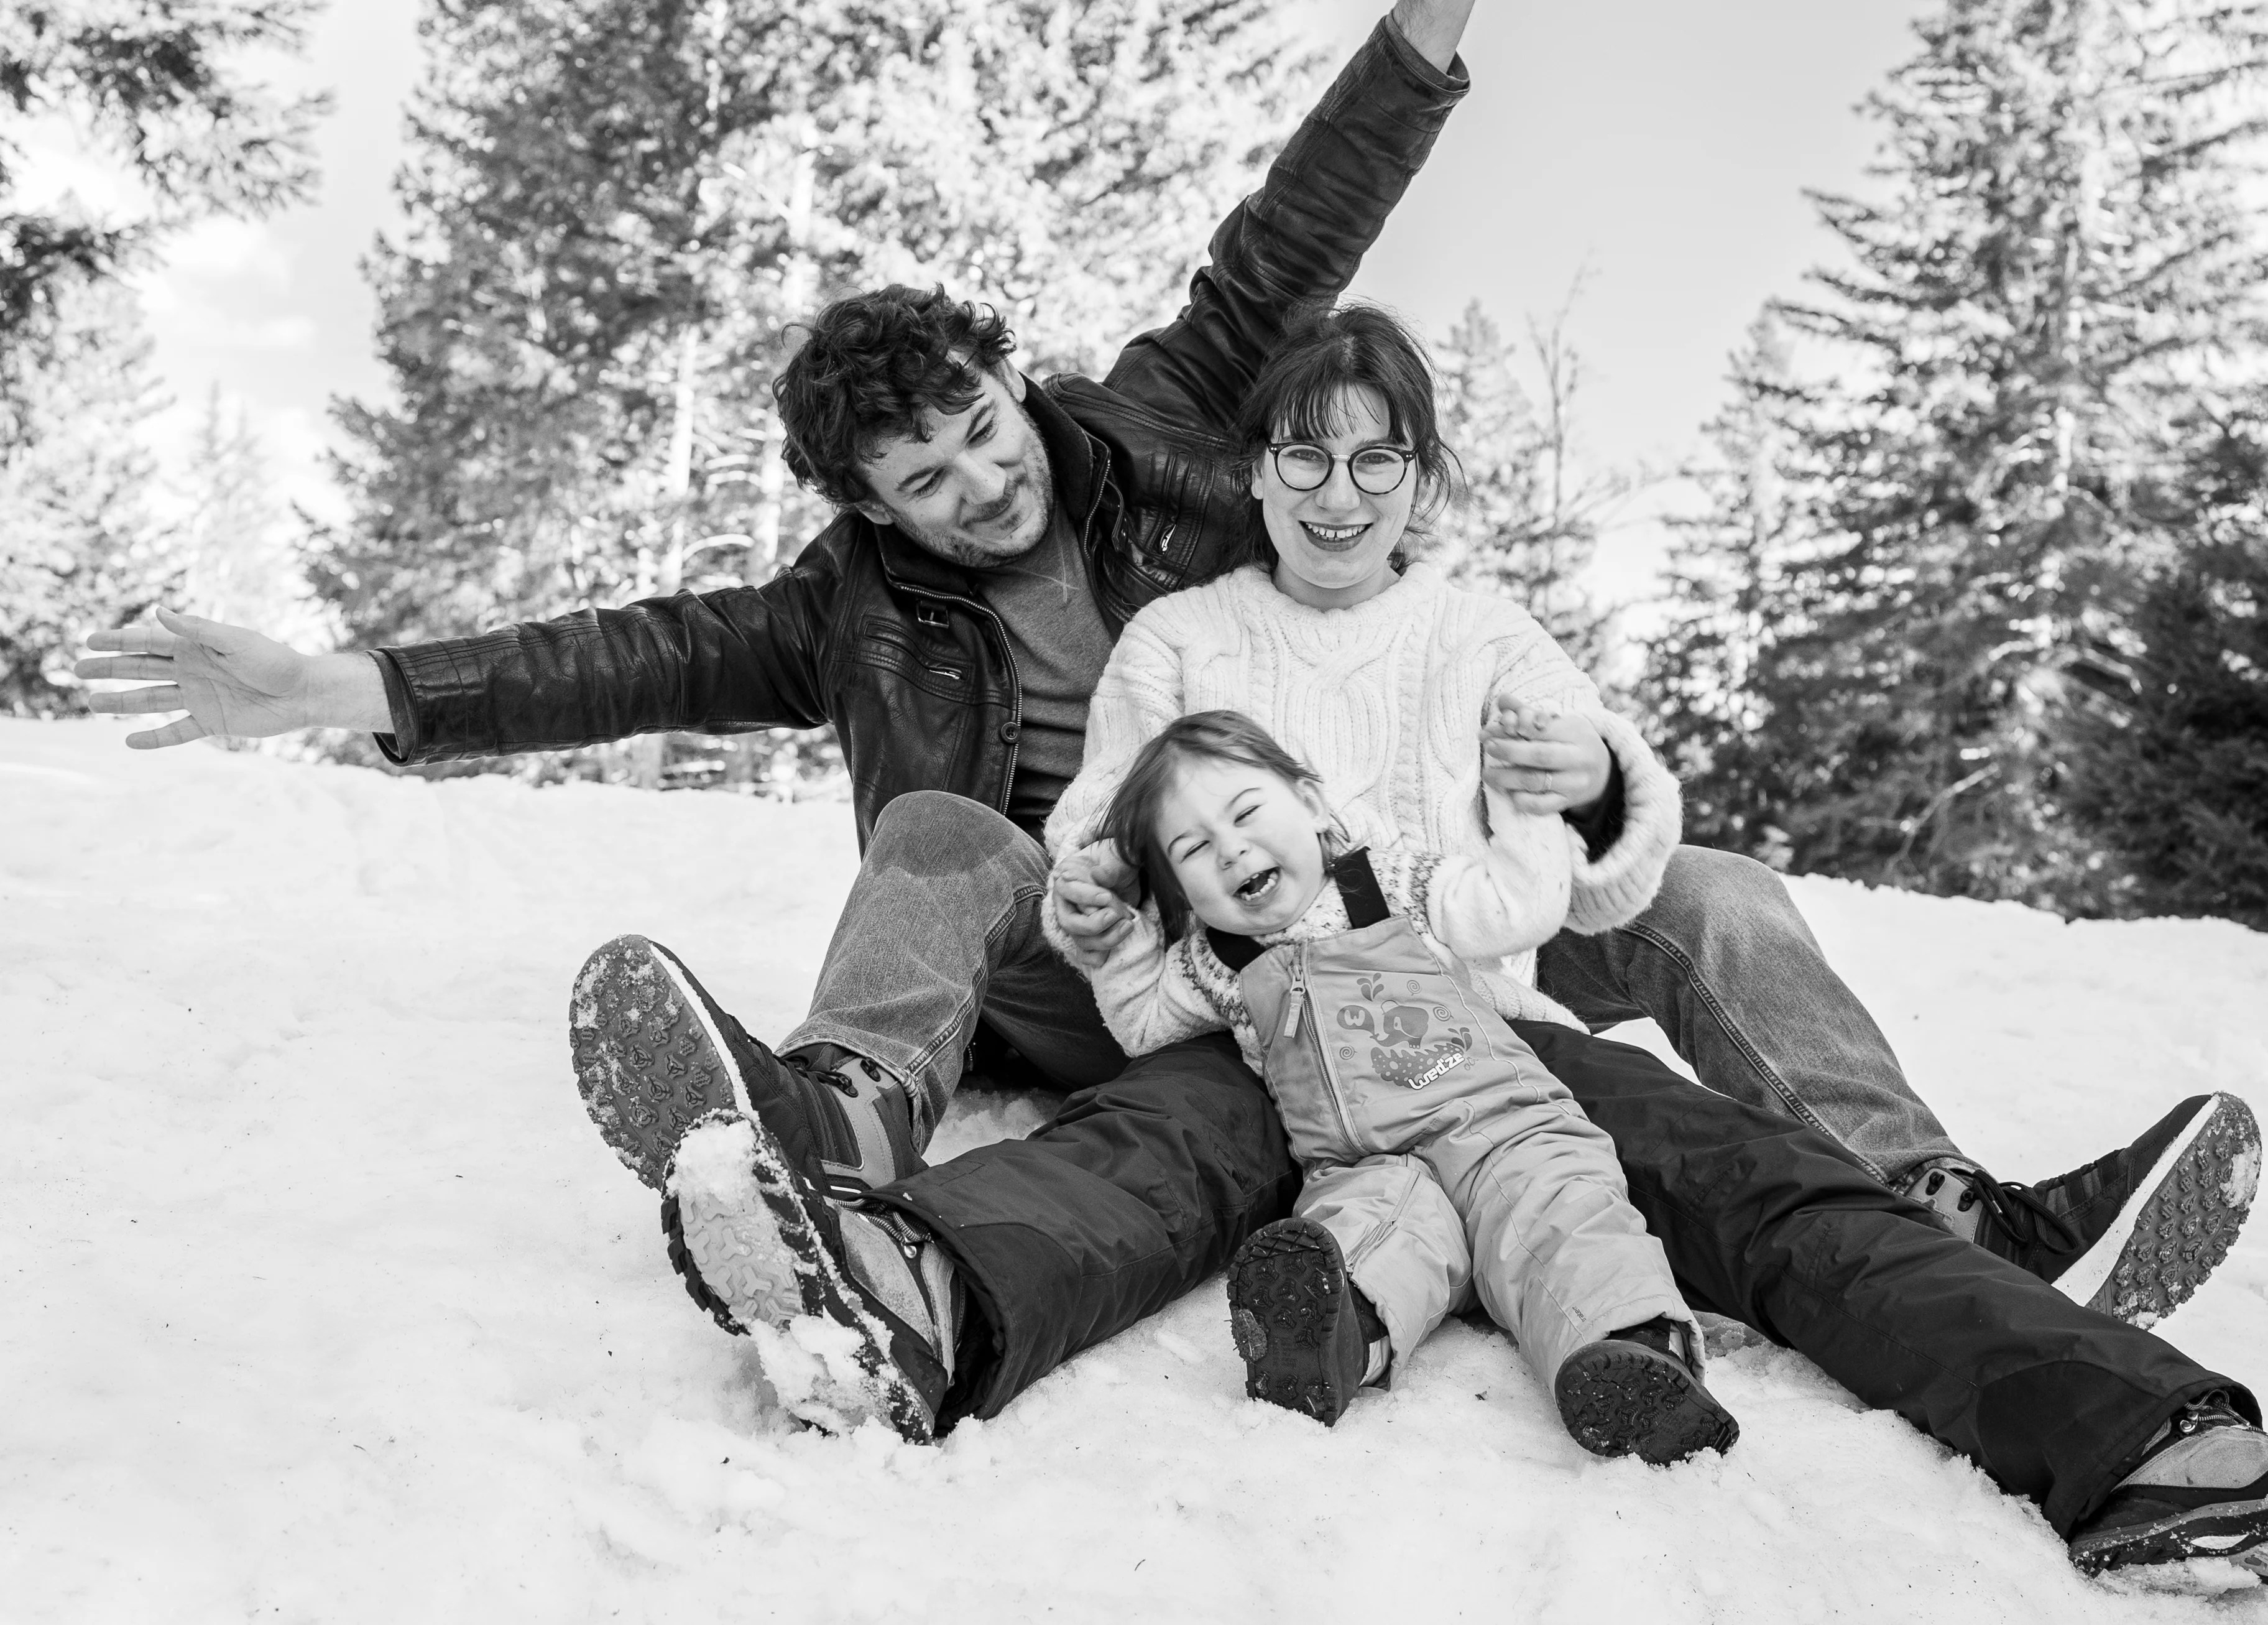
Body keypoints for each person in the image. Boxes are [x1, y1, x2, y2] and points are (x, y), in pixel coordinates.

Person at [71, 1, 2261, 1575]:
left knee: (1692, 905)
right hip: (1089, 960)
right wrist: (348, 677)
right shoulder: (855, 611)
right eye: (916, 478)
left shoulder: (1138, 436)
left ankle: (1954, 1217)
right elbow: (620, 652)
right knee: (970, 863)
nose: (972, 476)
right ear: (874, 506)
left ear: (1008, 389)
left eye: (974, 426)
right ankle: (844, 1136)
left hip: (1353, 927)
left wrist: (1417, 45)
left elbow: (1271, 251)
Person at [1082, 708, 1738, 1465]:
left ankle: (1635, 1354)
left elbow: (1513, 907)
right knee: (1364, 1234)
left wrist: (1523, 811)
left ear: (1313, 805)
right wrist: (1116, 933)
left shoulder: (1390, 879)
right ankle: (1330, 1338)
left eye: (1248, 813)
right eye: (1193, 849)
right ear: (1177, 889)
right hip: (1372, 1167)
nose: (1232, 851)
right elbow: (1140, 1024)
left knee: (1559, 1214)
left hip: (1502, 1126)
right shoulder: (1212, 964)